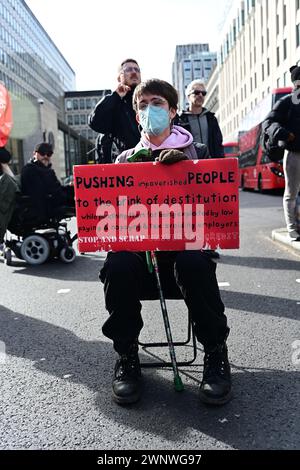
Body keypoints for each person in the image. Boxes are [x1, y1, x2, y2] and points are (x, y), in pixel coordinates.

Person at [99, 79, 231, 407]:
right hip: (143, 263)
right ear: (136, 117)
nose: (148, 110)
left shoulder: (197, 154)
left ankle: (215, 353)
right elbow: (111, 223)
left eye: (156, 103)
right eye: (142, 106)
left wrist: (186, 173)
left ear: (173, 111)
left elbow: (218, 215)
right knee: (116, 264)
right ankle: (127, 357)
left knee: (194, 262)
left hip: (183, 263)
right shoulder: (124, 161)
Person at [262, 65, 300, 241]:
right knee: (291, 193)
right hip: (294, 154)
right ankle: (293, 230)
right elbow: (268, 123)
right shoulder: (286, 102)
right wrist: (286, 134)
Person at [88, 58, 142, 162]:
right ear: (119, 78)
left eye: (137, 70)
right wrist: (116, 96)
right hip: (125, 167)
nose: (134, 72)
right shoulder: (115, 104)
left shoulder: (149, 101)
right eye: (129, 70)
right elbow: (95, 122)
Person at [21, 142, 74, 222]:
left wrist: (70, 187)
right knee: (80, 203)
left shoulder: (44, 170)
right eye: (42, 153)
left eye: (48, 154)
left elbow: (55, 189)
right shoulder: (31, 170)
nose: (45, 156)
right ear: (34, 154)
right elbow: (46, 193)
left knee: (76, 191)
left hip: (50, 203)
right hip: (43, 208)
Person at [177, 79, 224, 158]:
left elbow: (218, 144)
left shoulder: (211, 118)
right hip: (189, 164)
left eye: (203, 93)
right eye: (196, 92)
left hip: (211, 163)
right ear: (188, 96)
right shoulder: (180, 120)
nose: (200, 95)